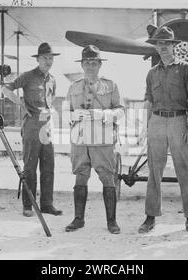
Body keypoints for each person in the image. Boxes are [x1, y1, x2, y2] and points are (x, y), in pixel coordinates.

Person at [138, 27, 188, 235]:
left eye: (166, 43)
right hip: (156, 121)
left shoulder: (186, 68)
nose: (163, 47)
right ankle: (150, 218)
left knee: (185, 170)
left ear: (174, 46)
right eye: (159, 44)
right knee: (154, 171)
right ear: (155, 47)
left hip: (178, 121)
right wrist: (145, 127)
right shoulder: (152, 73)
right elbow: (148, 100)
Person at [64, 45, 125, 234]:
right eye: (87, 62)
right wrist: (72, 116)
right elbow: (65, 110)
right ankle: (78, 219)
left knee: (108, 178)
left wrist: (104, 114)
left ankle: (111, 221)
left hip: (102, 139)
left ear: (100, 64)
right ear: (82, 65)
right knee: (80, 176)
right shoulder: (73, 87)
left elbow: (121, 110)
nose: (90, 66)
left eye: (94, 62)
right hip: (80, 140)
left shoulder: (111, 85)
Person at [2, 42, 62, 217]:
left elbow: (51, 99)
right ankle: (28, 205)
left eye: (51, 58)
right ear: (38, 59)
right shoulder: (28, 76)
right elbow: (6, 89)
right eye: (45, 58)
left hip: (47, 126)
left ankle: (47, 204)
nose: (48, 61)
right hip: (31, 125)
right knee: (30, 167)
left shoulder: (52, 79)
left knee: (48, 166)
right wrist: (20, 103)